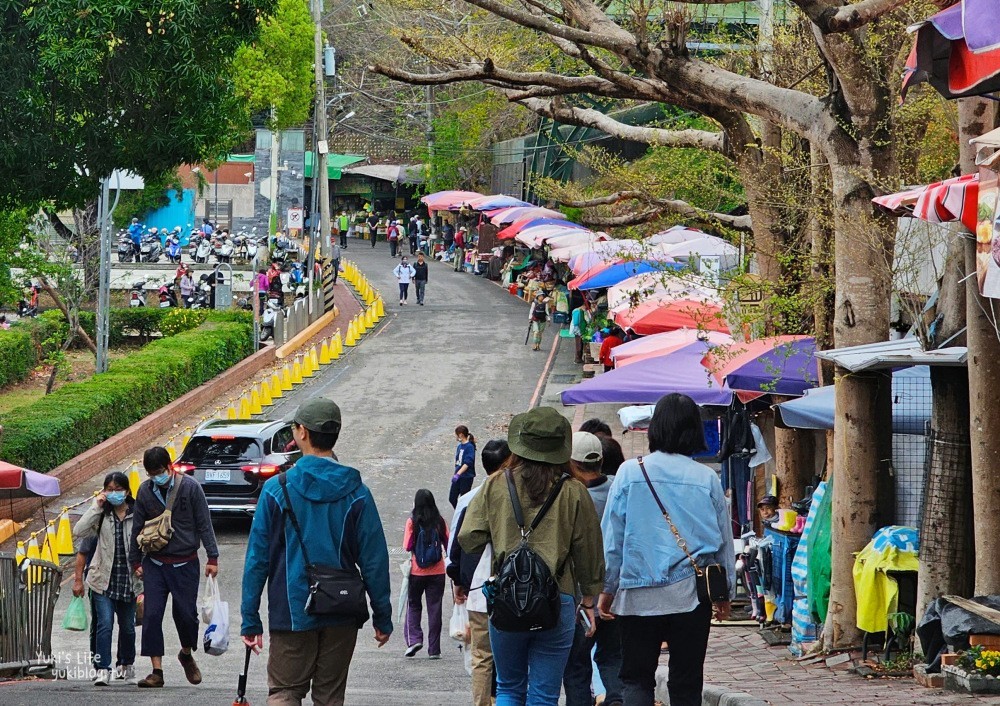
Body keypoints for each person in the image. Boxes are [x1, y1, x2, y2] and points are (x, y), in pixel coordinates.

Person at [241, 397, 393, 705]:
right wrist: (382, 616)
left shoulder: (276, 490)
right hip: (342, 610)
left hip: (292, 610)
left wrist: (250, 618)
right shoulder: (357, 493)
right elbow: (374, 560)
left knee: (285, 692)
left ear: (302, 433)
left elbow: (257, 560)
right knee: (329, 698)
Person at [459, 406, 604, 706]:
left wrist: (501, 535)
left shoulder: (496, 484)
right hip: (558, 600)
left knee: (509, 687)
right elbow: (589, 552)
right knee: (544, 694)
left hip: (506, 597)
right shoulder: (574, 491)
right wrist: (589, 601)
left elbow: (468, 538)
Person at [599, 393, 735, 706]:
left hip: (637, 594)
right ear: (694, 431)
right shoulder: (707, 479)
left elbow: (613, 539)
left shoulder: (629, 473)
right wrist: (724, 592)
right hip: (691, 594)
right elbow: (723, 542)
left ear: (655, 428)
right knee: (687, 682)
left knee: (635, 678)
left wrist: (607, 588)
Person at [129, 447, 219, 689]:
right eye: (151, 473)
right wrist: (135, 561)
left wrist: (213, 557)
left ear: (169, 467)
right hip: (155, 564)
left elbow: (204, 523)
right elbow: (136, 527)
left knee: (186, 614)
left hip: (185, 562)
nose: (155, 477)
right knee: (151, 614)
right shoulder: (145, 492)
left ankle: (186, 653)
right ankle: (156, 671)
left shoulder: (190, 488)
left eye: (158, 472)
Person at [562, 433, 623, 706]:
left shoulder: (568, 494)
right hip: (615, 595)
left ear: (572, 463)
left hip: (579, 597)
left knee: (576, 667)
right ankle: (616, 700)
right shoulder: (619, 488)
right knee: (612, 658)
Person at [448, 439, 510, 706]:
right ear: (509, 463)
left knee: (482, 657)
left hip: (477, 592)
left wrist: (459, 582)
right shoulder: (522, 496)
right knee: (513, 656)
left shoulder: (468, 499)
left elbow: (457, 546)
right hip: (516, 592)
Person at [73, 471, 141, 686]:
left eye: (118, 489)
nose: (114, 493)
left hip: (129, 581)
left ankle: (126, 664)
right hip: (102, 579)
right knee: (105, 624)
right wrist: (96, 506)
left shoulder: (138, 512)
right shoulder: (101, 515)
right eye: (109, 489)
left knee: (128, 626)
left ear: (127, 491)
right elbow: (79, 531)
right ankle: (102, 668)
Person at [403, 489, 449, 659]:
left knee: (414, 605)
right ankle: (434, 649)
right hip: (438, 572)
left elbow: (407, 546)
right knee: (435, 609)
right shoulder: (440, 521)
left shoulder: (412, 522)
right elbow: (448, 543)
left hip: (417, 571)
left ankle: (414, 639)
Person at [450, 425, 476, 508]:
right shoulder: (459, 446)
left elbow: (467, 463)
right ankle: (459, 512)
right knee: (452, 498)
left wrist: (458, 474)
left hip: (466, 477)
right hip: (458, 476)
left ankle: (463, 516)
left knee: (464, 499)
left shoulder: (469, 447)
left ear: (461, 435)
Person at [569, 299, 593, 364]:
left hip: (582, 330)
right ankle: (577, 359)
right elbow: (576, 322)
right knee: (579, 345)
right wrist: (581, 331)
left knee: (581, 344)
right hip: (578, 330)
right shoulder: (577, 311)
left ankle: (579, 358)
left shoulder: (582, 311)